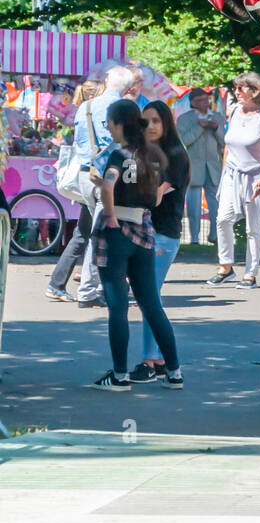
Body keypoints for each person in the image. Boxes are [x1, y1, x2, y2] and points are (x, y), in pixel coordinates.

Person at [87, 99, 182, 390]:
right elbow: (154, 198)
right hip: (145, 230)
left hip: (117, 232)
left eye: (109, 124)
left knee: (117, 305)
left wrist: (111, 211)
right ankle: (174, 372)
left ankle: (119, 375)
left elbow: (108, 185)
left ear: (118, 124)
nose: (109, 129)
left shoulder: (119, 154)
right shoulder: (153, 156)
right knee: (151, 303)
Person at [46, 65, 135, 307]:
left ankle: (92, 287)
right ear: (129, 87)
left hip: (85, 173)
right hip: (107, 176)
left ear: (107, 81)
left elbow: (78, 140)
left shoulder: (85, 106)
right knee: (100, 235)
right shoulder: (124, 109)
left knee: (91, 231)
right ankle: (88, 291)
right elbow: (123, 145)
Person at [129, 101, 190, 383]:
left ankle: (151, 362)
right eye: (145, 121)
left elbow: (154, 196)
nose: (150, 126)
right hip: (146, 231)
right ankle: (161, 361)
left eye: (156, 120)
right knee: (149, 297)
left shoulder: (174, 155)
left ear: (166, 123)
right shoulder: (144, 153)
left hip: (163, 233)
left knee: (148, 297)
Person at [209, 72, 260, 288]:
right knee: (223, 219)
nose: (236, 92)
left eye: (241, 88)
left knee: (253, 227)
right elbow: (229, 144)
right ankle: (226, 266)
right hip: (232, 173)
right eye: (235, 88)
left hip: (255, 174)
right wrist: (223, 175)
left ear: (254, 91)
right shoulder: (234, 111)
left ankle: (251, 273)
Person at [177, 89, 223, 245]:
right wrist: (200, 126)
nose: (206, 103)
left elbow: (224, 142)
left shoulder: (217, 117)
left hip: (213, 167)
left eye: (207, 99)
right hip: (193, 167)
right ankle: (194, 238)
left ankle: (215, 235)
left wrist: (216, 128)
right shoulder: (184, 119)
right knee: (193, 206)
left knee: (215, 204)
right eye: (201, 100)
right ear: (193, 103)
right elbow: (185, 142)